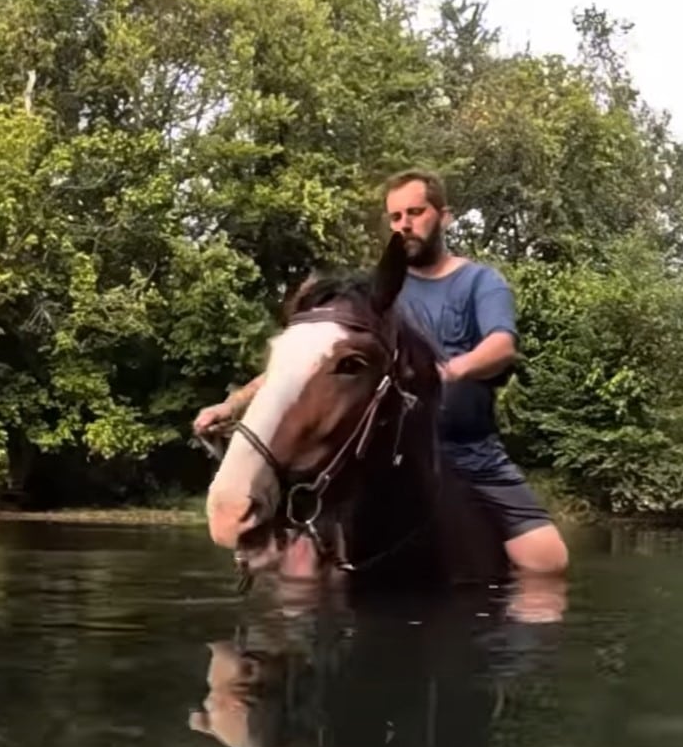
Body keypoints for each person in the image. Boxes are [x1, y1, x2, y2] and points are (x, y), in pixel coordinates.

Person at [192, 168, 568, 576]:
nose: (405, 224)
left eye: (416, 212)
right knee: (295, 563)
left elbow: (501, 345)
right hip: (384, 451)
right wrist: (234, 404)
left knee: (546, 562)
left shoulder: (481, 281)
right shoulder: (371, 295)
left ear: (445, 217)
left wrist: (451, 370)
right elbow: (312, 363)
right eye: (395, 216)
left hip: (470, 451)